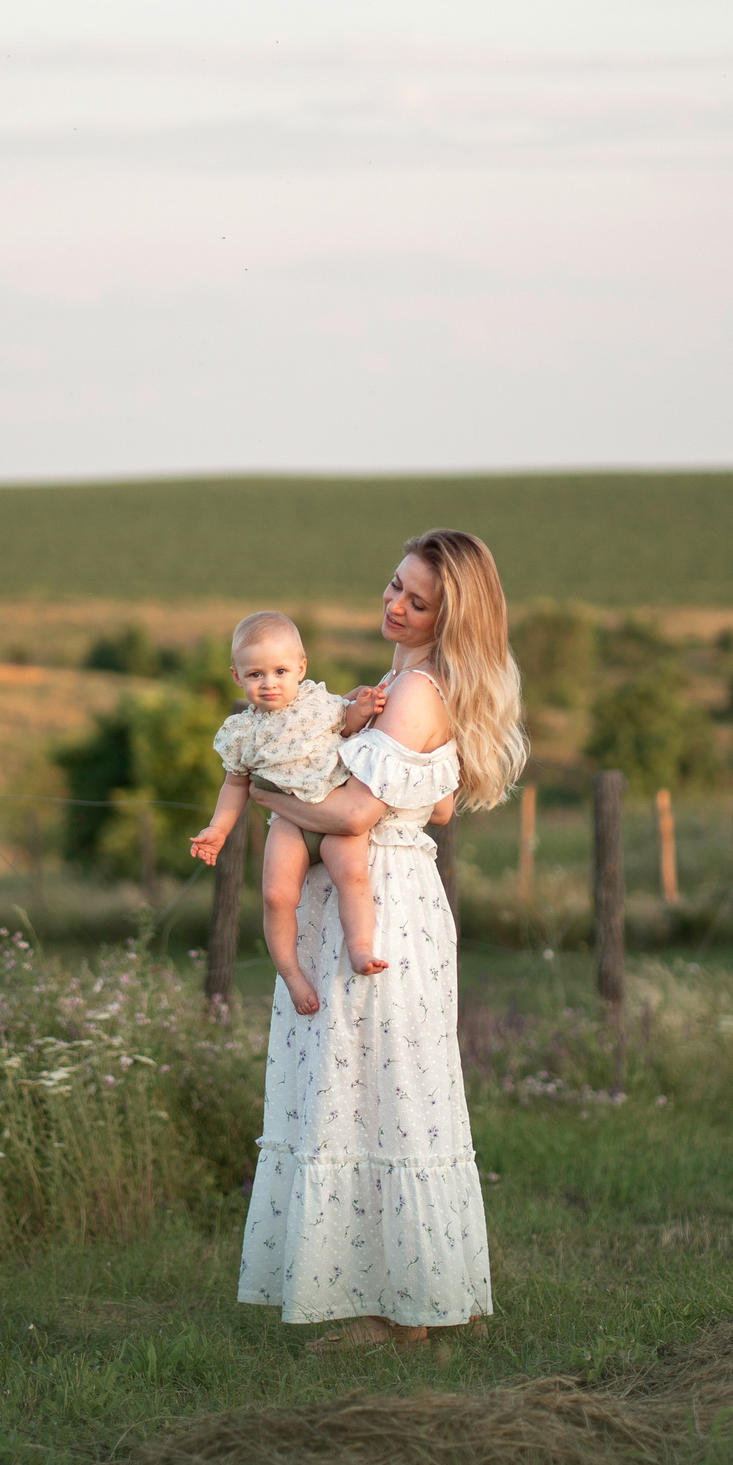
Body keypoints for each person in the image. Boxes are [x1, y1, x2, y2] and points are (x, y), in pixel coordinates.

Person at [235, 529, 531, 1351]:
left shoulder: (418, 691)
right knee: (375, 1088)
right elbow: (437, 802)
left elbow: (355, 811)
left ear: (451, 617)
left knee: (382, 1091)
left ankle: (401, 1312)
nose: (395, 604)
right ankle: (418, 1290)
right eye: (395, 585)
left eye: (417, 599)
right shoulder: (402, 681)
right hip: (381, 888)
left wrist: (263, 787)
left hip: (385, 899)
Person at [189, 610, 387, 1017]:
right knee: (276, 896)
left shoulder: (317, 704)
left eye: (280, 671)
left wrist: (363, 709)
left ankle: (360, 947)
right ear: (237, 677)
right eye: (255, 674)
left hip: (334, 809)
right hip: (289, 822)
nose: (269, 683)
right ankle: (292, 976)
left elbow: (347, 725)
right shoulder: (240, 732)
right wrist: (218, 829)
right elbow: (235, 786)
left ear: (301, 668)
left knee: (352, 874)